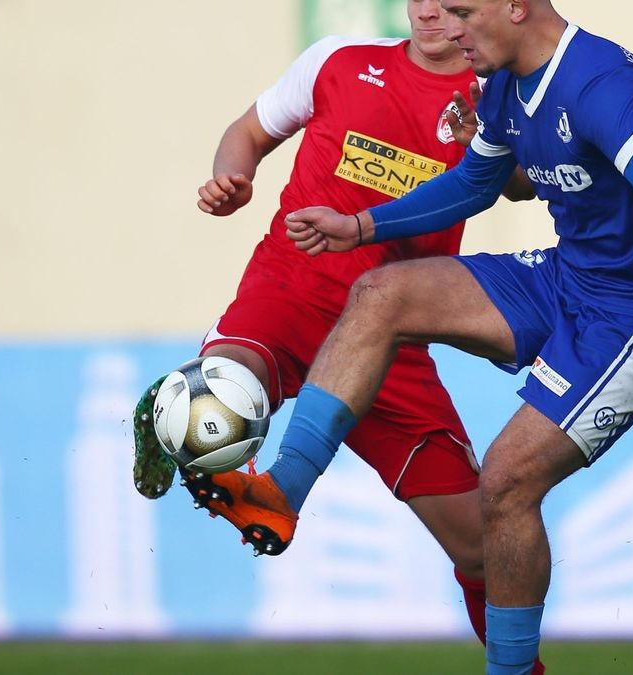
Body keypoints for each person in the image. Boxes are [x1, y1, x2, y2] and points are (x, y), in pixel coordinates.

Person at [208, 1, 633, 672]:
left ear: (514, 8)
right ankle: (281, 493)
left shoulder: (600, 84)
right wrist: (360, 227)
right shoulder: (506, 86)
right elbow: (474, 185)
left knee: (506, 481)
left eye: (462, 10)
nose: (445, 26)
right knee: (381, 292)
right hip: (569, 278)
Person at [131, 1, 542, 671]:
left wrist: (485, 141)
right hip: (289, 296)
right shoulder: (339, 61)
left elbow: (525, 185)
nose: (432, 11)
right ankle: (184, 411)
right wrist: (232, 179)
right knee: (221, 399)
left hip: (394, 334)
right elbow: (249, 130)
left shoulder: (498, 92)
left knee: (486, 550)